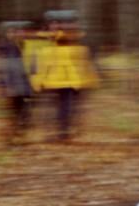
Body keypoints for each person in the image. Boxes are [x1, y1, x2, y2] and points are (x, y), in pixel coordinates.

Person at [31, 11, 98, 142]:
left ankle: (64, 131)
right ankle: (53, 132)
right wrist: (36, 80)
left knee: (68, 107)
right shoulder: (42, 40)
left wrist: (88, 78)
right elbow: (36, 62)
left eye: (57, 23)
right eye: (52, 23)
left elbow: (84, 59)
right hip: (49, 80)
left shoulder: (72, 38)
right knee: (50, 108)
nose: (55, 26)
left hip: (69, 80)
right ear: (47, 24)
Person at [0, 21, 34, 143]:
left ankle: (19, 134)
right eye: (10, 32)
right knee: (14, 113)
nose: (12, 34)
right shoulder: (2, 48)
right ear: (5, 34)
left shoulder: (22, 46)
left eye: (14, 32)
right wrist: (4, 86)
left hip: (24, 85)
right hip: (11, 86)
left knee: (25, 112)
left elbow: (29, 66)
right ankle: (11, 138)